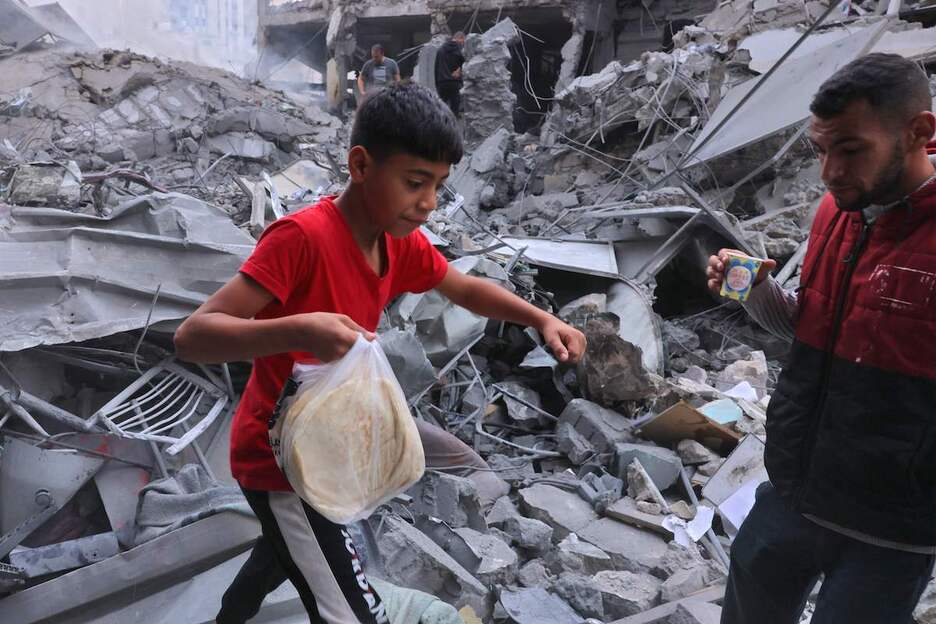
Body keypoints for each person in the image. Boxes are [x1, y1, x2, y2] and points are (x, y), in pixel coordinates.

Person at [173, 82, 586, 624]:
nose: (429, 203)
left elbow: (464, 289)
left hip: (329, 443)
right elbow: (194, 335)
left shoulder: (397, 241)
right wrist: (296, 329)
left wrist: (541, 317)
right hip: (280, 463)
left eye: (439, 185)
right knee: (350, 610)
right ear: (361, 165)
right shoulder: (301, 239)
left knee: (288, 552)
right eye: (415, 183)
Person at [706, 53, 936, 624]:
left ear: (919, 132)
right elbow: (808, 326)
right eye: (819, 150)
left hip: (895, 522)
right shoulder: (836, 211)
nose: (829, 171)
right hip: (797, 485)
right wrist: (756, 292)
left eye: (851, 149)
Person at [434, 32, 466, 116]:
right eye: (463, 41)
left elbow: (436, 68)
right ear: (460, 38)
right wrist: (460, 70)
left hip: (442, 83)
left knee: (441, 108)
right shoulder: (460, 50)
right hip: (454, 83)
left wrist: (437, 84)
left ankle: (441, 126)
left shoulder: (440, 49)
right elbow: (467, 64)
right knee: (454, 109)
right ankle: (453, 125)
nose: (463, 43)